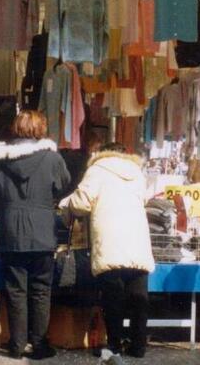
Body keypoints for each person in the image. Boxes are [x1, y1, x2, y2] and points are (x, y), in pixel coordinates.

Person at [0, 111, 70, 360]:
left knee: (15, 289)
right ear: (41, 129)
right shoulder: (52, 158)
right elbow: (63, 184)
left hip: (10, 230)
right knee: (42, 289)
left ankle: (17, 345)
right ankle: (40, 344)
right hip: (42, 230)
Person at [61, 142, 154, 358]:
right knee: (138, 295)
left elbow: (82, 203)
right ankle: (138, 345)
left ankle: (114, 345)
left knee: (113, 296)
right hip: (137, 237)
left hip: (110, 237)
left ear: (101, 154)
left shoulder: (97, 170)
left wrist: (68, 204)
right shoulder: (137, 172)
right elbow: (145, 198)